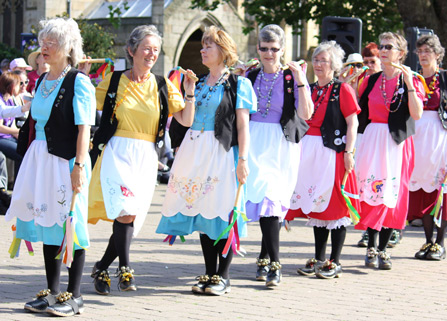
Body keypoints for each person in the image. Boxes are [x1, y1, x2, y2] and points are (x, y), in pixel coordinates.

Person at [88, 24, 195, 295]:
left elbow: (185, 119)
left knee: (130, 216)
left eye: (156, 49)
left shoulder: (162, 85)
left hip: (147, 155)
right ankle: (125, 268)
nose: (151, 54)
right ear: (131, 50)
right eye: (146, 48)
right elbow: (87, 105)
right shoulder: (113, 80)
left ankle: (101, 266)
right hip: (117, 151)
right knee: (124, 211)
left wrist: (190, 90)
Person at [5, 17, 95, 316]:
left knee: (72, 223)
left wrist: (79, 166)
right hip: (41, 159)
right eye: (42, 41)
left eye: (51, 42)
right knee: (49, 223)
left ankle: (75, 294)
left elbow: (84, 129)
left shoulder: (78, 81)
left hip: (67, 160)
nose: (44, 47)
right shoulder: (43, 80)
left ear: (67, 47)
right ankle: (52, 291)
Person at [157, 26, 256, 296]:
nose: (202, 50)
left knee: (222, 210)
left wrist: (243, 160)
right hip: (194, 151)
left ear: (223, 50)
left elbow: (243, 126)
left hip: (222, 151)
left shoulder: (239, 84)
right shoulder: (198, 82)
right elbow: (186, 121)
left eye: (208, 45)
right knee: (201, 210)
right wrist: (188, 91)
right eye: (202, 45)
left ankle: (222, 276)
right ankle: (209, 271)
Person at [242, 24, 312, 287]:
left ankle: (274, 263)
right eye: (264, 48)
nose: (269, 53)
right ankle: (264, 257)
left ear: (283, 49)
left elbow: (306, 114)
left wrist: (302, 80)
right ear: (257, 49)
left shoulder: (291, 77)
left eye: (274, 49)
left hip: (281, 144)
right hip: (253, 141)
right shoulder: (250, 74)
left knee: (271, 200)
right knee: (261, 200)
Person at [286, 41, 360, 279]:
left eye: (323, 60)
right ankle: (319, 258)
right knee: (316, 205)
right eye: (316, 60)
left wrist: (349, 152)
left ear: (335, 65)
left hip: (332, 151)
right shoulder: (308, 88)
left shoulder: (342, 89)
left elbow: (353, 122)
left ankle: (335, 261)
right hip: (309, 152)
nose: (318, 64)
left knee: (336, 206)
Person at [355, 32, 425, 270]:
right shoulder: (372, 80)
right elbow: (357, 108)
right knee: (371, 192)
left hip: (396, 143)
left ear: (401, 53)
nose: (384, 51)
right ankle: (371, 246)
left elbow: (417, 114)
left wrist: (409, 86)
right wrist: (350, 84)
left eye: (389, 47)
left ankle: (383, 248)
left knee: (391, 194)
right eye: (382, 47)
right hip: (373, 139)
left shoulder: (411, 79)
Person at [407, 35, 447, 260]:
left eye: (427, 50)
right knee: (422, 192)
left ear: (438, 54)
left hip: (440, 138)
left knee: (441, 189)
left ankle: (440, 243)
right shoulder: (413, 78)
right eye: (419, 51)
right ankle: (428, 241)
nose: (422, 55)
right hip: (417, 139)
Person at [0, 71, 25, 179]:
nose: (21, 87)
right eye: (19, 83)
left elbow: (12, 125)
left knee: (27, 149)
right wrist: (18, 132)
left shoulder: (10, 100)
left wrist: (22, 136)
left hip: (8, 137)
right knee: (21, 154)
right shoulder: (1, 101)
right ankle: (17, 188)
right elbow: (0, 128)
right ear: (12, 86)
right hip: (1, 138)